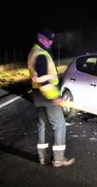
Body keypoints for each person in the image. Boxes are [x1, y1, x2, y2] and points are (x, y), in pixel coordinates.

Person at [28, 28, 75, 167]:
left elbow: (38, 78)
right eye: (48, 40)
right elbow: (44, 82)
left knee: (42, 124)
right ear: (40, 38)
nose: (51, 42)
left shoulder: (33, 52)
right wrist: (55, 97)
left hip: (37, 95)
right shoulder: (41, 55)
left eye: (51, 40)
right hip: (47, 95)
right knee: (59, 124)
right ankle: (59, 158)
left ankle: (42, 157)